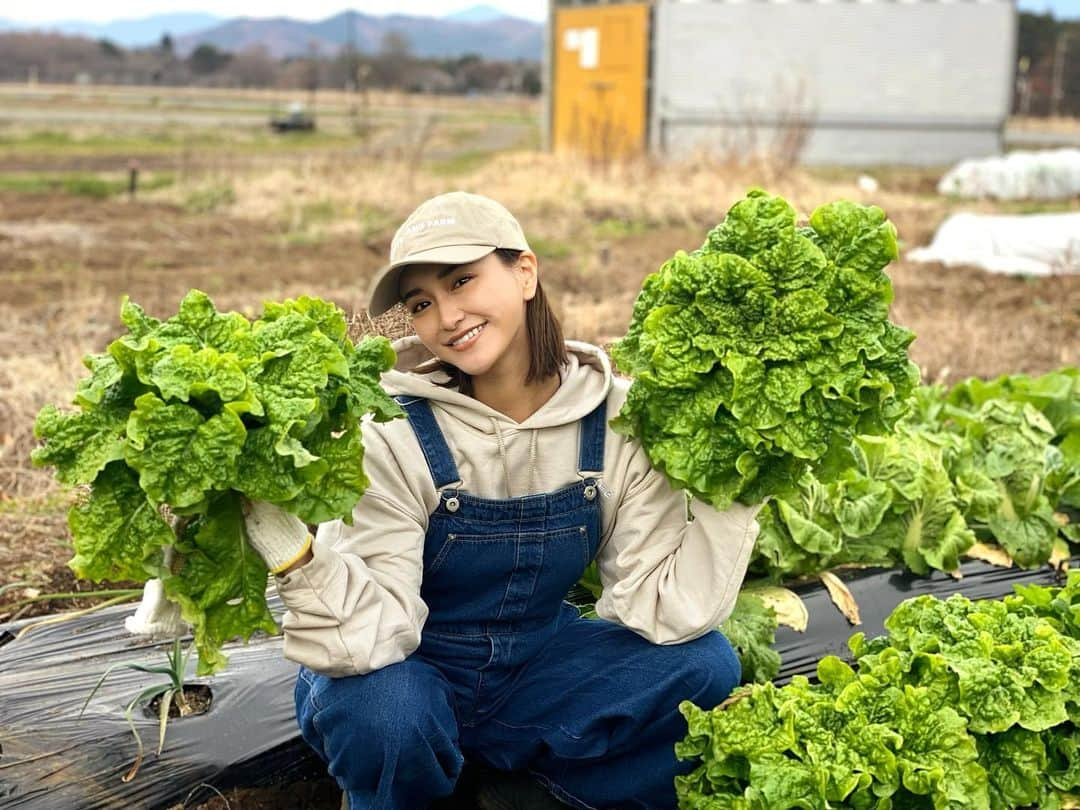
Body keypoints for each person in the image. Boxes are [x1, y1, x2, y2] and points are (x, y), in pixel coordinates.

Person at [242, 191, 762, 810]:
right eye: (422, 303)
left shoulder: (617, 418)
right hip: (405, 668)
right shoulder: (392, 431)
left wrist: (740, 487)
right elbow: (375, 637)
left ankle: (528, 796)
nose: (447, 316)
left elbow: (658, 606)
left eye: (463, 280)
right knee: (385, 714)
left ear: (525, 272)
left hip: (532, 669)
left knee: (705, 664)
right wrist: (296, 558)